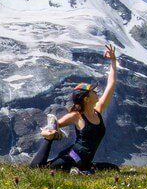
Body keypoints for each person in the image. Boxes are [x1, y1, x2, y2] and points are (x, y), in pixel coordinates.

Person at [29, 45, 119, 173]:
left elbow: (112, 84)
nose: (96, 92)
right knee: (39, 169)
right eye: (93, 91)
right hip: (73, 156)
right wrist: (49, 133)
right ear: (86, 99)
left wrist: (113, 61)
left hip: (85, 160)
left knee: (114, 169)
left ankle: (82, 171)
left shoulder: (98, 110)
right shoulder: (77, 116)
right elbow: (55, 125)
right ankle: (80, 170)